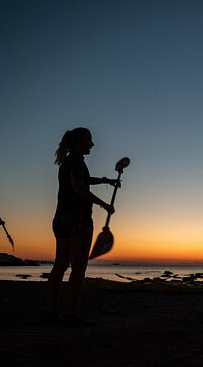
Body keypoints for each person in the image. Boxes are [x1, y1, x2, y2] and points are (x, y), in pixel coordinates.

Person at [45, 127, 117, 327]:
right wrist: (104, 204)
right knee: (78, 269)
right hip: (78, 218)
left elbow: (82, 181)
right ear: (80, 141)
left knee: (59, 266)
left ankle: (51, 312)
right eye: (89, 140)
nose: (92, 144)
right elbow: (79, 189)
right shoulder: (76, 161)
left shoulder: (69, 161)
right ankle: (71, 315)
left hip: (60, 218)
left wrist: (105, 180)